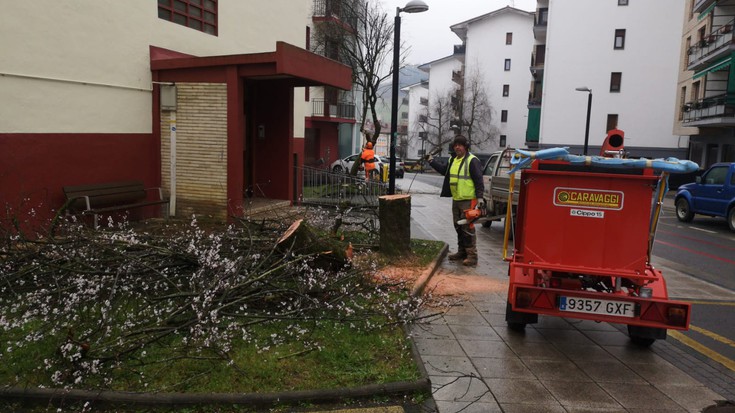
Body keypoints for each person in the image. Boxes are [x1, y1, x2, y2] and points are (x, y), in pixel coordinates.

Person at [426, 135, 485, 266]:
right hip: (457, 199)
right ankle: (462, 252)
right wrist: (431, 161)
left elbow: (478, 180)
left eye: (460, 145)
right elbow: (444, 171)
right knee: (458, 226)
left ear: (465, 146)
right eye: (456, 145)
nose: (457, 147)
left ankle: (472, 256)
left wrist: (480, 198)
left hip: (468, 199)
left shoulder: (472, 160)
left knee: (467, 228)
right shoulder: (453, 160)